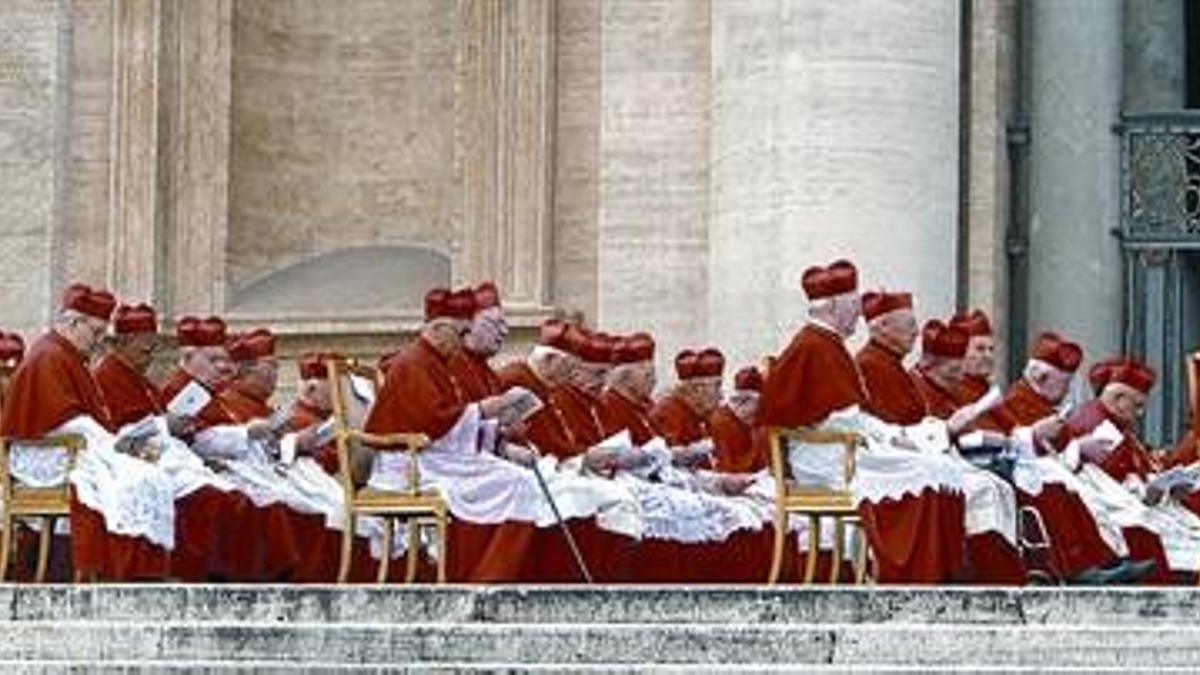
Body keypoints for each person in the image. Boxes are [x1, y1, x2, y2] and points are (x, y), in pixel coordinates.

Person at [758, 260, 966, 583]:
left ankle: (936, 576)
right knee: (925, 469)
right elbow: (840, 420)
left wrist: (892, 435)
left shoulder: (828, 344)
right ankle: (908, 578)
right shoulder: (812, 346)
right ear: (832, 306)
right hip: (823, 460)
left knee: (937, 467)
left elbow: (847, 416)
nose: (859, 313)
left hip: (840, 450)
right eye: (854, 305)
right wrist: (891, 436)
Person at [1, 284, 173, 580]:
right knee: (133, 481)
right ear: (73, 323)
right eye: (94, 333)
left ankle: (135, 573)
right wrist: (113, 444)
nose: (97, 342)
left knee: (148, 475)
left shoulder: (68, 355)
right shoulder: (48, 356)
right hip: (45, 457)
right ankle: (117, 573)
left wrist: (117, 444)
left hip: (69, 448)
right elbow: (64, 420)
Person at [855, 290, 924, 425]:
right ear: (883, 326)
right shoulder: (871, 365)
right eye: (910, 324)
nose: (917, 332)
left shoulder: (889, 361)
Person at [950, 309, 996, 404]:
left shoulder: (990, 390)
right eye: (980, 349)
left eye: (991, 349)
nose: (988, 355)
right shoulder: (949, 393)